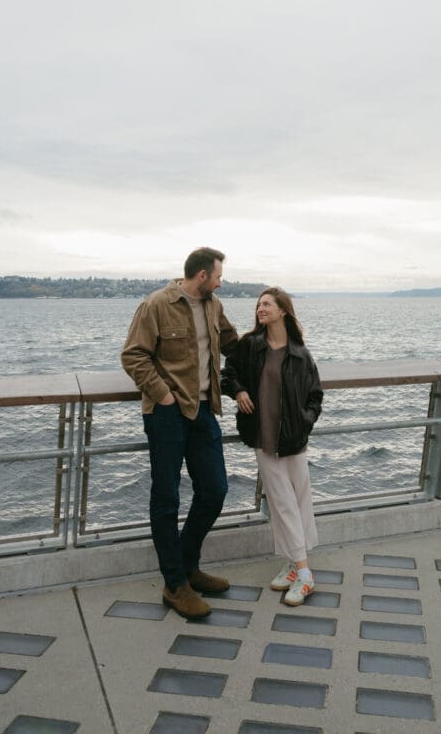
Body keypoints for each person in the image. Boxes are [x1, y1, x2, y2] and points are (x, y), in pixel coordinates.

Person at [121, 247, 239, 619]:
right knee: (166, 498)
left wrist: (282, 339)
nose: (221, 282)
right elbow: (133, 356)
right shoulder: (156, 304)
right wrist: (164, 395)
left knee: (215, 489)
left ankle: (188, 568)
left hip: (203, 410)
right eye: (218, 276)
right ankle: (174, 585)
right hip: (166, 414)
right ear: (201, 275)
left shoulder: (213, 306)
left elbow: (235, 345)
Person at [221, 287, 323, 606]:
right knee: (281, 502)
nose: (260, 308)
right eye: (258, 304)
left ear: (283, 311)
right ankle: (305, 574)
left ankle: (295, 567)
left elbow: (315, 395)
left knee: (299, 500)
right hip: (264, 439)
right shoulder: (250, 346)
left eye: (267, 304)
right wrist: (238, 392)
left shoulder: (299, 352)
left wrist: (304, 421)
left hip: (295, 439)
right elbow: (227, 374)